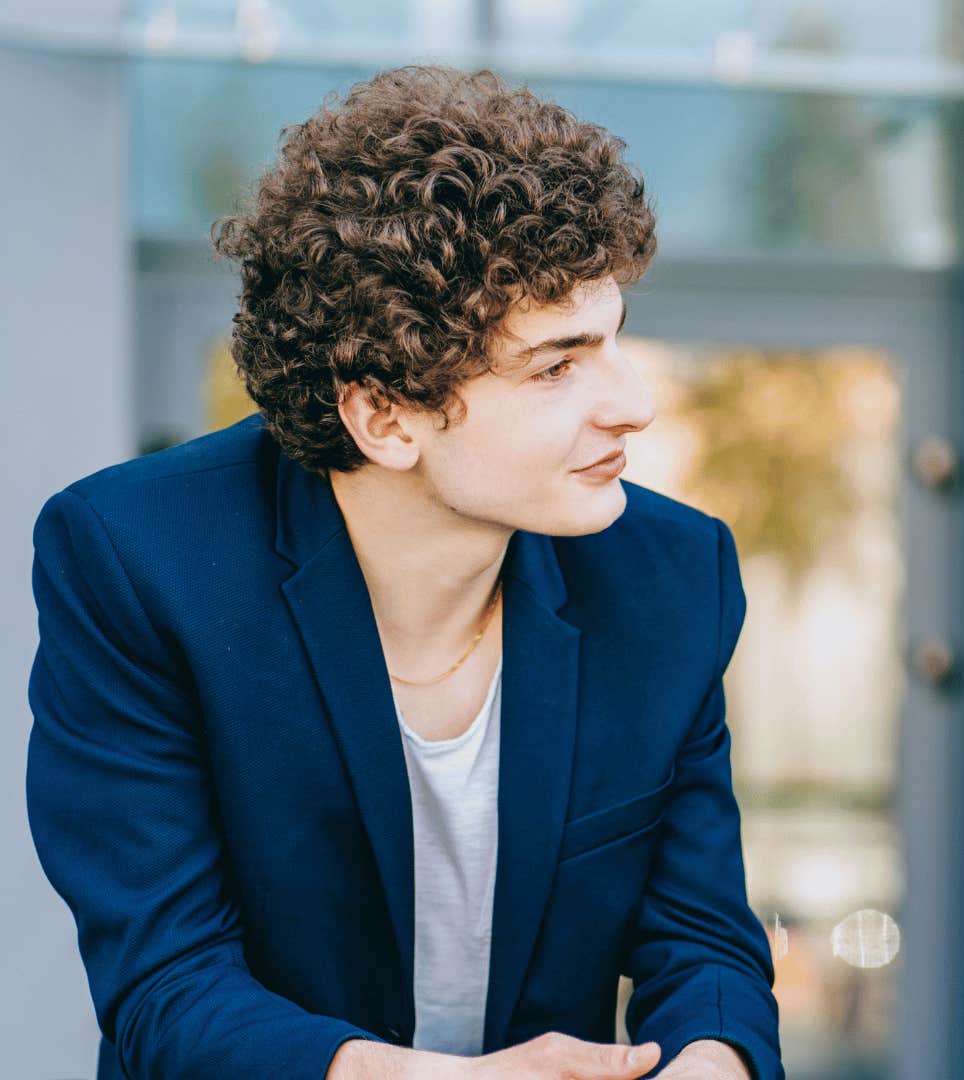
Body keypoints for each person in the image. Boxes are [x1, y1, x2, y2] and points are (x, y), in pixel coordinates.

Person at [26, 66, 780, 1080]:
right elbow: (167, 986)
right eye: (558, 365)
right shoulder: (136, 561)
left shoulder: (675, 577)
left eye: (615, 340)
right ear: (384, 416)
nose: (633, 402)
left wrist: (711, 1063)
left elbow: (705, 943)